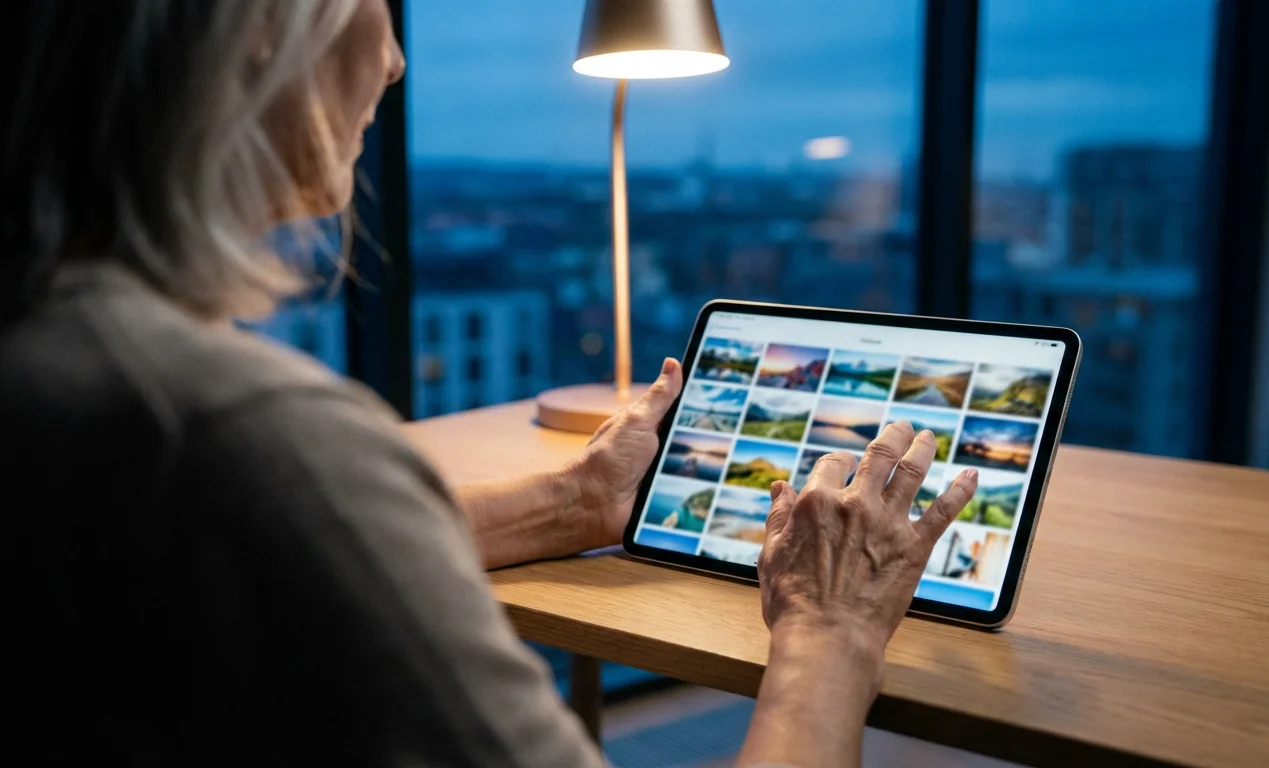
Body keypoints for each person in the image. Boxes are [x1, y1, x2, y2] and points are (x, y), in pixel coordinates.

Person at [0, 2, 978, 766]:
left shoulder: (57, 359)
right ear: (256, 27)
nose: (393, 60)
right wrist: (828, 633)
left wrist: (575, 500)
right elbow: (290, 504)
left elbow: (297, 551)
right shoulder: (229, 432)